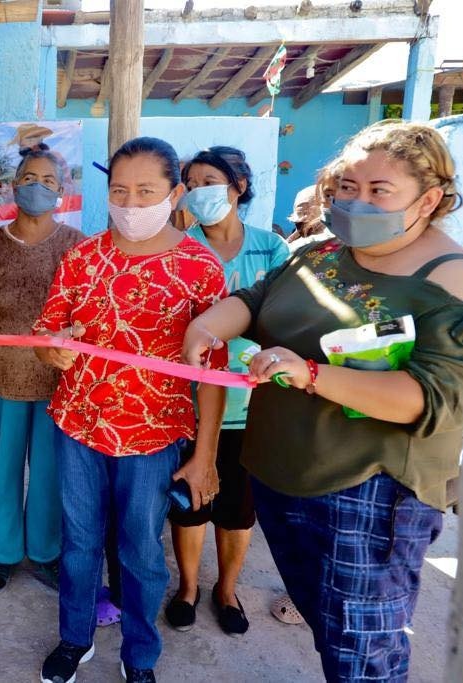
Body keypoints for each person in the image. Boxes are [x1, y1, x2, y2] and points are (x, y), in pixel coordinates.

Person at [182, 120, 463, 682]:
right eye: (346, 187)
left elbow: (430, 395)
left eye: (378, 191)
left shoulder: (455, 280)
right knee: (330, 629)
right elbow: (254, 297)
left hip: (367, 499)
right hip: (281, 478)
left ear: (430, 198)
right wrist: (208, 325)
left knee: (363, 652)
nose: (355, 202)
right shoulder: (318, 252)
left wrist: (311, 373)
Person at [34, 137, 227, 683]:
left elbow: (212, 372)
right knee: (78, 542)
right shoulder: (82, 258)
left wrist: (205, 455)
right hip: (79, 424)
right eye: (120, 190)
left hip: (153, 435)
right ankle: (75, 638)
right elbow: (48, 337)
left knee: (141, 549)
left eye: (146, 191)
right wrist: (55, 347)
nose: (131, 203)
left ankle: (140, 653)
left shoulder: (198, 268)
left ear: (175, 192)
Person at [166, 146, 289, 635]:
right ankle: (189, 587)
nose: (199, 192)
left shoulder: (272, 248)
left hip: (253, 403)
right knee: (191, 501)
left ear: (238, 186)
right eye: (191, 183)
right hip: (187, 401)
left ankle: (227, 589)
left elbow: (282, 318)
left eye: (209, 181)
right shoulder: (178, 247)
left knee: (238, 508)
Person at [0, 148, 84, 594]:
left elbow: (86, 316)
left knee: (50, 472)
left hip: (57, 382)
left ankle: (46, 552)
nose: (38, 186)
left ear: (62, 191)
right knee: (4, 466)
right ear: (13, 187)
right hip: (0, 378)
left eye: (49, 180)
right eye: (29, 177)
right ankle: (3, 552)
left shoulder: (76, 245)